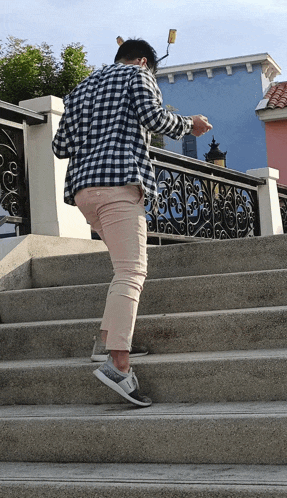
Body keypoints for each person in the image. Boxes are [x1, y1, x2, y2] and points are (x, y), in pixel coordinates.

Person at [52, 38, 212, 407]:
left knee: (122, 269)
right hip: (119, 185)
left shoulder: (81, 88)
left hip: (83, 191)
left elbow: (60, 147)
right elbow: (155, 119)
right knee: (132, 272)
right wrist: (192, 124)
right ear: (142, 60)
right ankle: (117, 365)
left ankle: (105, 342)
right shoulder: (137, 74)